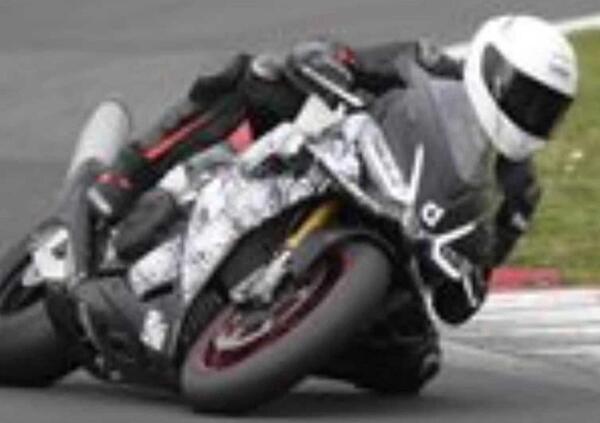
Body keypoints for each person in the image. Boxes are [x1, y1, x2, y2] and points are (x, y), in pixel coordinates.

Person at [88, 15, 578, 394]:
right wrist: (327, 64)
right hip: (341, 166)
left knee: (414, 364)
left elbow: (466, 295)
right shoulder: (427, 65)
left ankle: (288, 343)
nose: (531, 115)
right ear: (490, 67)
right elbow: (342, 57)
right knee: (255, 74)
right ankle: (127, 175)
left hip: (400, 250)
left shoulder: (518, 191)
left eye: (546, 110)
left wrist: (466, 274)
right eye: (525, 96)